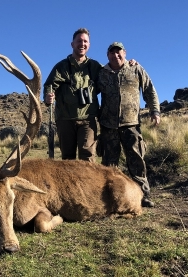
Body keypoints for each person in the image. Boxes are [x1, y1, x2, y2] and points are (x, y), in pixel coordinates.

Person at [97, 42, 161, 207]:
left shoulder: (136, 69)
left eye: (118, 52)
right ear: (107, 56)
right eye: (112, 53)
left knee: (136, 160)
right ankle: (108, 197)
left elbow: (149, 90)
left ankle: (143, 195)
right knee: (109, 164)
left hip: (131, 124)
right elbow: (89, 92)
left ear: (124, 53)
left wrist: (155, 111)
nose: (115, 55)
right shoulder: (102, 73)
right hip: (108, 125)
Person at [43, 28, 100, 162]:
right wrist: (48, 97)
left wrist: (129, 64)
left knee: (88, 157)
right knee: (68, 159)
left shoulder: (95, 66)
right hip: (65, 119)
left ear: (89, 45)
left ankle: (88, 183)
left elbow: (111, 72)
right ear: (72, 44)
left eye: (85, 41)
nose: (82, 44)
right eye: (79, 41)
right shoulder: (61, 67)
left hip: (87, 119)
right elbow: (49, 86)